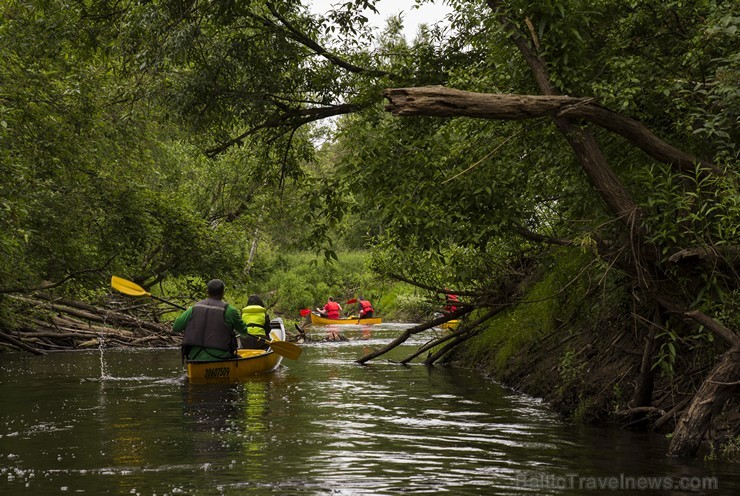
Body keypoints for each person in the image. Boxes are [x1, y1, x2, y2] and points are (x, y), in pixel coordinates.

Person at [174, 279, 248, 361]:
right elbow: (243, 331)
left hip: (195, 357)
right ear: (223, 293)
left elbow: (176, 327)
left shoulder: (193, 308)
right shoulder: (230, 310)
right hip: (221, 357)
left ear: (207, 292)